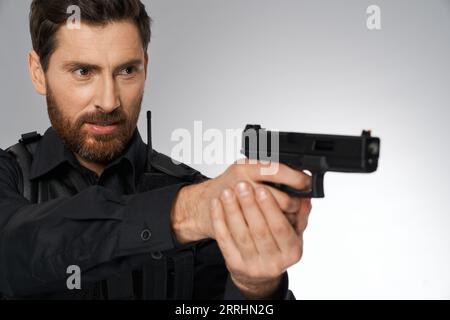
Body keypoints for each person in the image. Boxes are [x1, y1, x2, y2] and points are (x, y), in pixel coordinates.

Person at [0, 0, 312, 300]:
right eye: (83, 72)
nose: (109, 101)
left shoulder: (200, 196)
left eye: (126, 71)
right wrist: (182, 212)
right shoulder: (9, 177)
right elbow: (14, 249)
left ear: (145, 68)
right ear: (38, 72)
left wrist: (255, 286)